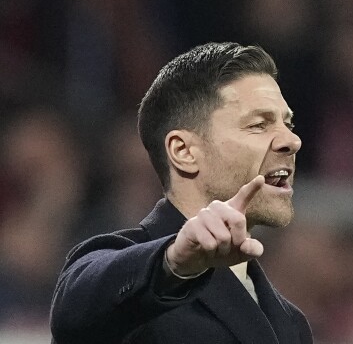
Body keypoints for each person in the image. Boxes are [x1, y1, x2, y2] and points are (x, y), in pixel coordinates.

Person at [50, 42, 312, 343]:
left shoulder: (291, 324)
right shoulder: (129, 270)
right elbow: (75, 309)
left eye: (288, 123)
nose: (292, 140)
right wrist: (174, 262)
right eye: (258, 125)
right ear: (184, 151)